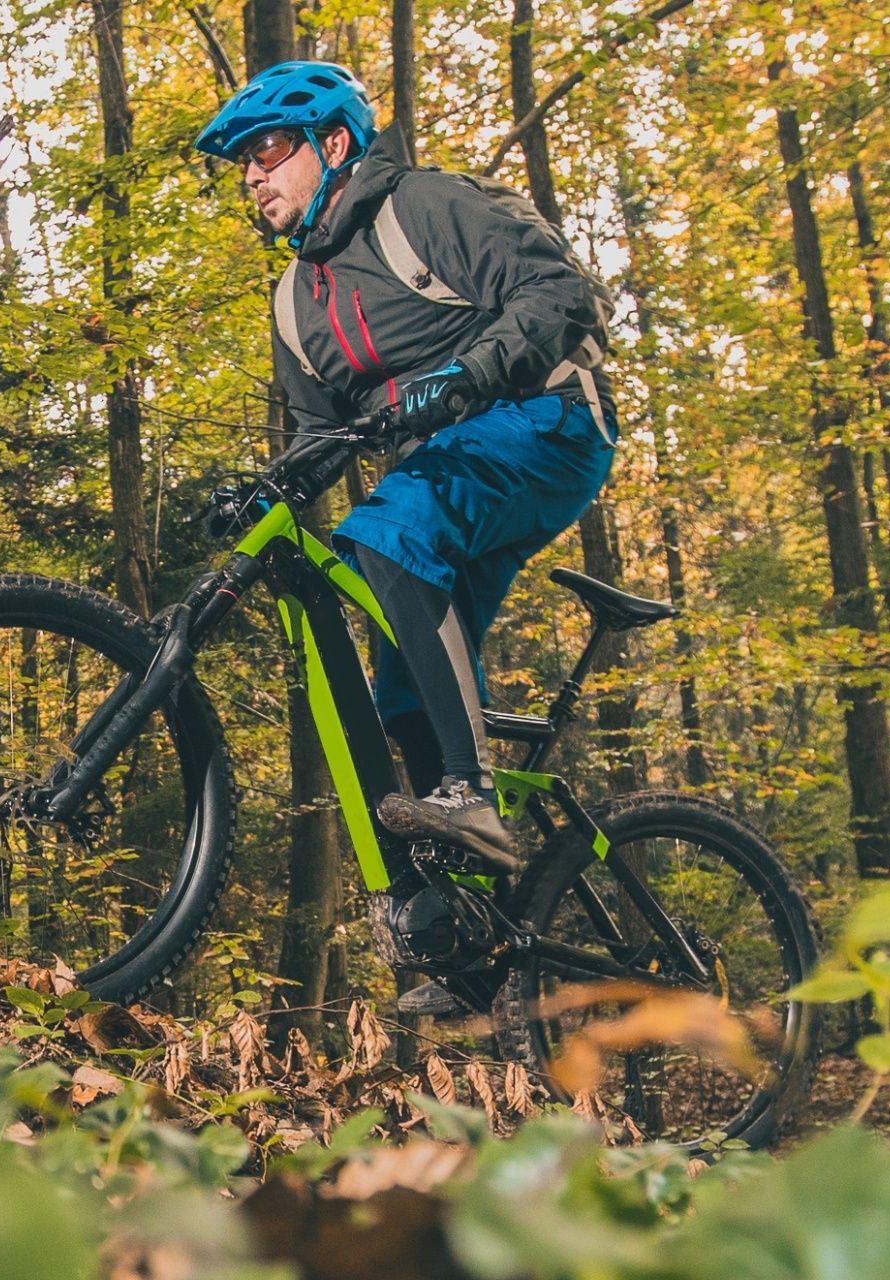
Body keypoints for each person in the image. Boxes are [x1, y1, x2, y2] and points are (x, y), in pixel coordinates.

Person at [196, 62, 614, 1010]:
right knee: (397, 676)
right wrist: (259, 495)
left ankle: (469, 795)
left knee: (382, 529)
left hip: (547, 426)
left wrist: (463, 375)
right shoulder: (294, 303)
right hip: (444, 480)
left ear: (332, 144)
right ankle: (475, 946)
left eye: (266, 152)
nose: (252, 177)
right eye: (241, 165)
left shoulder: (421, 207)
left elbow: (558, 296)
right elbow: (315, 441)